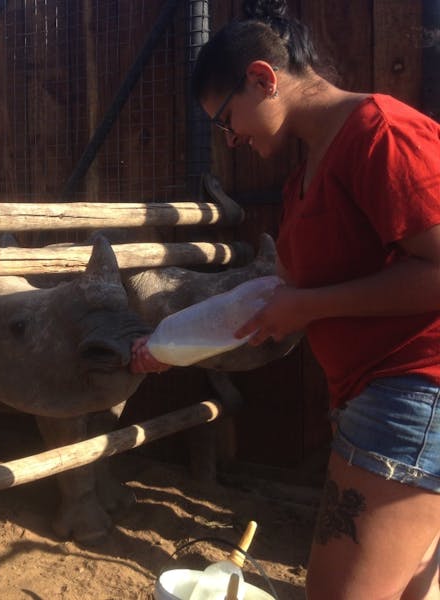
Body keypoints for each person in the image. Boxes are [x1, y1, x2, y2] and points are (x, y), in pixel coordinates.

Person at [132, 0, 440, 597]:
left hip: (411, 389)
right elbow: (299, 291)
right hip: (374, 392)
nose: (231, 139)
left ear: (262, 78)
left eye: (225, 119)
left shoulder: (381, 133)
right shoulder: (307, 174)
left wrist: (306, 307)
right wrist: (174, 345)